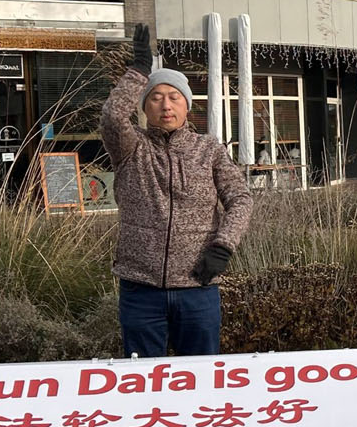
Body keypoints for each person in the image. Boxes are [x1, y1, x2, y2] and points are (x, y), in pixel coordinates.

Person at [101, 23, 254, 357]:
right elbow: (112, 117)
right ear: (145, 107)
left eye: (174, 97)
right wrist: (139, 71)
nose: (165, 105)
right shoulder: (131, 147)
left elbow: (240, 199)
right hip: (141, 289)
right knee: (143, 379)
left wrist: (223, 246)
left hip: (197, 287)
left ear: (187, 106)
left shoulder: (209, 149)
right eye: (156, 98)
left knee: (200, 378)